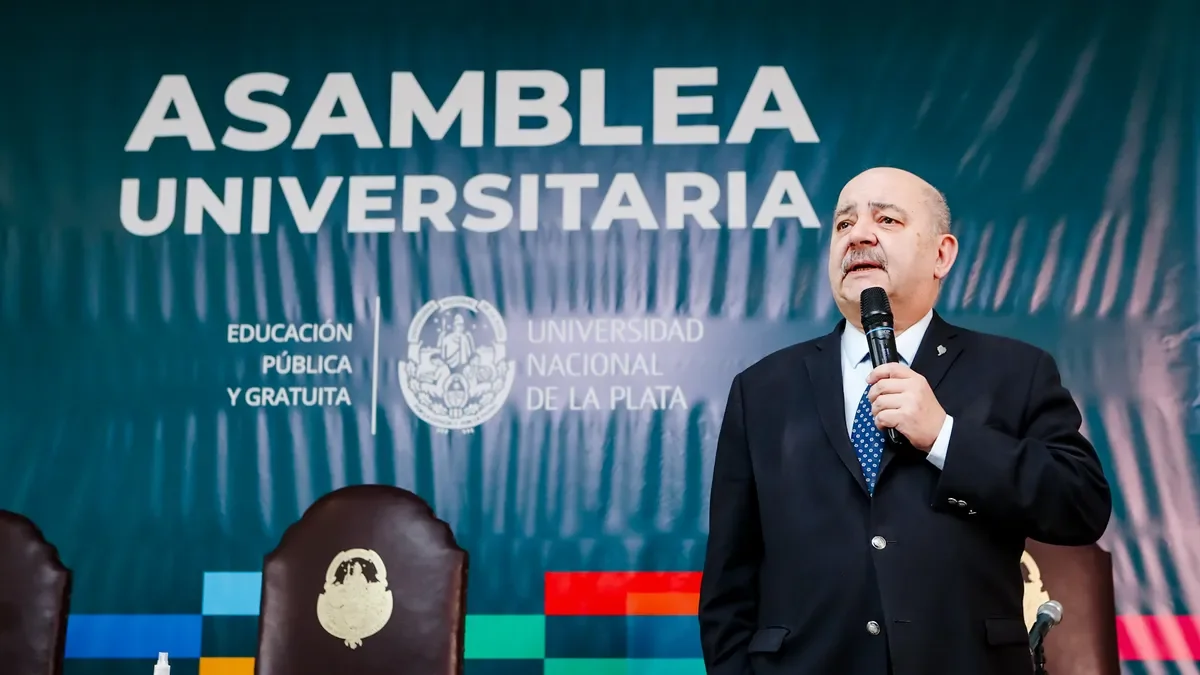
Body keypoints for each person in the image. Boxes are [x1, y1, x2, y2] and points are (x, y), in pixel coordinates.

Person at [698, 167, 1112, 675]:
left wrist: (945, 436)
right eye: (843, 224)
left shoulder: (1015, 371)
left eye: (887, 219)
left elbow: (1081, 504)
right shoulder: (762, 389)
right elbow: (728, 583)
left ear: (942, 254)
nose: (859, 235)